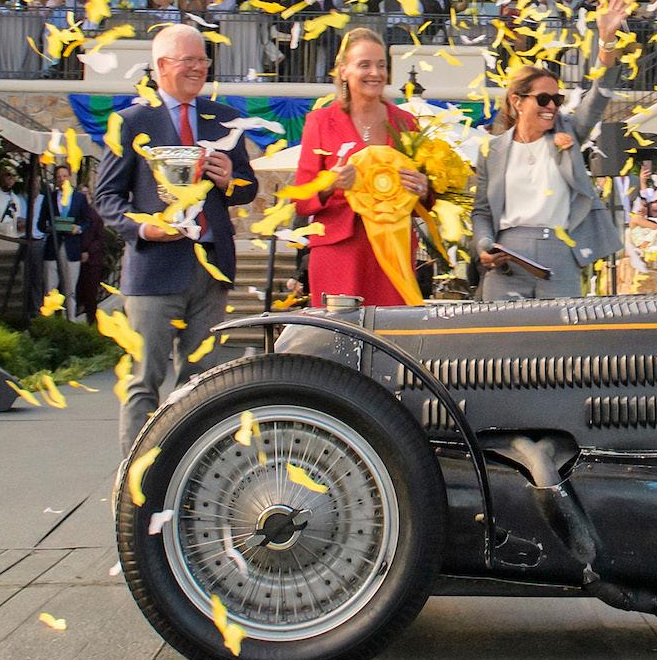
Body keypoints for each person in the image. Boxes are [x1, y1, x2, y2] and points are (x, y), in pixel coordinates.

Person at [93, 24, 259, 454]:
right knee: (144, 380)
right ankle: (134, 479)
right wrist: (143, 228)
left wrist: (231, 180)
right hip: (153, 270)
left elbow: (248, 188)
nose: (199, 68)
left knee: (202, 383)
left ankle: (188, 471)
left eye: (203, 60)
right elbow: (106, 197)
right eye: (189, 60)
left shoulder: (224, 118)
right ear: (162, 66)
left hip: (211, 269)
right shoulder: (131, 121)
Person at [471, 2, 628, 299]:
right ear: (517, 101)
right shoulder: (492, 150)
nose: (552, 106)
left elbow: (599, 95)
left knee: (561, 330)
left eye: (558, 99)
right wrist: (484, 246)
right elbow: (481, 211)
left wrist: (607, 40)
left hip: (560, 257)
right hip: (507, 262)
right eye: (543, 99)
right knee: (500, 330)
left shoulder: (569, 132)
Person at [290, 28, 433, 307]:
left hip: (393, 253)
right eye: (364, 65)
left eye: (381, 65)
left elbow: (425, 198)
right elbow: (301, 201)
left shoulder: (406, 123)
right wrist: (330, 184)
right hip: (338, 251)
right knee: (338, 333)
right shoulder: (320, 122)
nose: (375, 73)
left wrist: (423, 189)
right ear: (343, 71)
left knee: (391, 330)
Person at [48, 164, 91, 320]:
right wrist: (51, 227)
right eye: (58, 177)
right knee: (50, 288)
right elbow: (41, 222)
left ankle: (70, 320)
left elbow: (87, 221)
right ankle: (49, 321)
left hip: (72, 246)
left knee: (70, 288)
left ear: (70, 177)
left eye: (64, 176)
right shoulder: (50, 197)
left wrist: (78, 229)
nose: (62, 179)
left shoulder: (79, 198)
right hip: (53, 245)